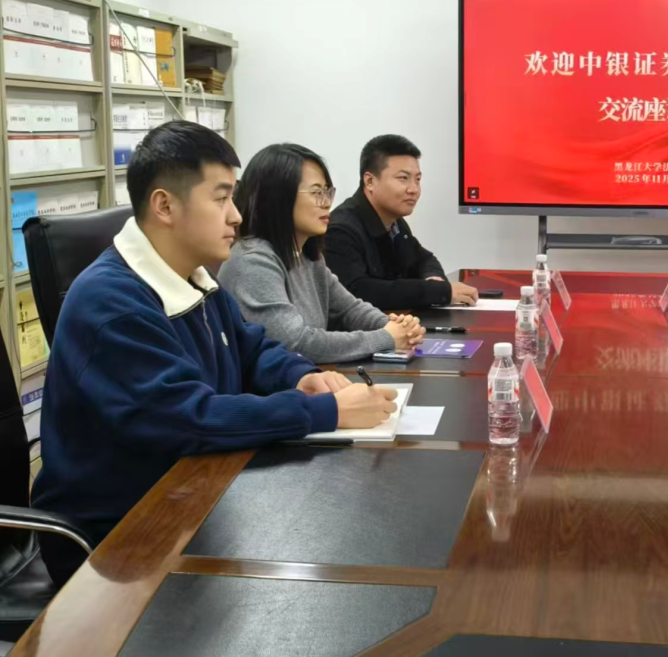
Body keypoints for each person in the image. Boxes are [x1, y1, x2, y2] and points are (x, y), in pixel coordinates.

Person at [30, 121, 398, 587]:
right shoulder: (111, 303)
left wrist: (301, 376)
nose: (237, 216)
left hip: (194, 492)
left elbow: (252, 348)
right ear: (165, 205)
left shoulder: (194, 277)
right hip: (118, 538)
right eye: (221, 198)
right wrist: (325, 411)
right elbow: (189, 418)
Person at [220, 143, 426, 364]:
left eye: (327, 192)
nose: (327, 203)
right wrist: (385, 337)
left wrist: (395, 326)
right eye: (316, 192)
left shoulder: (308, 256)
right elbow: (295, 343)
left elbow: (349, 309)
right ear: (278, 197)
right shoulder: (253, 261)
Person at [325, 135, 478, 310]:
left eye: (417, 179)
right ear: (370, 181)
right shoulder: (340, 230)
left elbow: (423, 259)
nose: (414, 189)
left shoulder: (395, 222)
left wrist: (433, 280)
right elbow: (358, 291)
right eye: (403, 178)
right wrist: (436, 292)